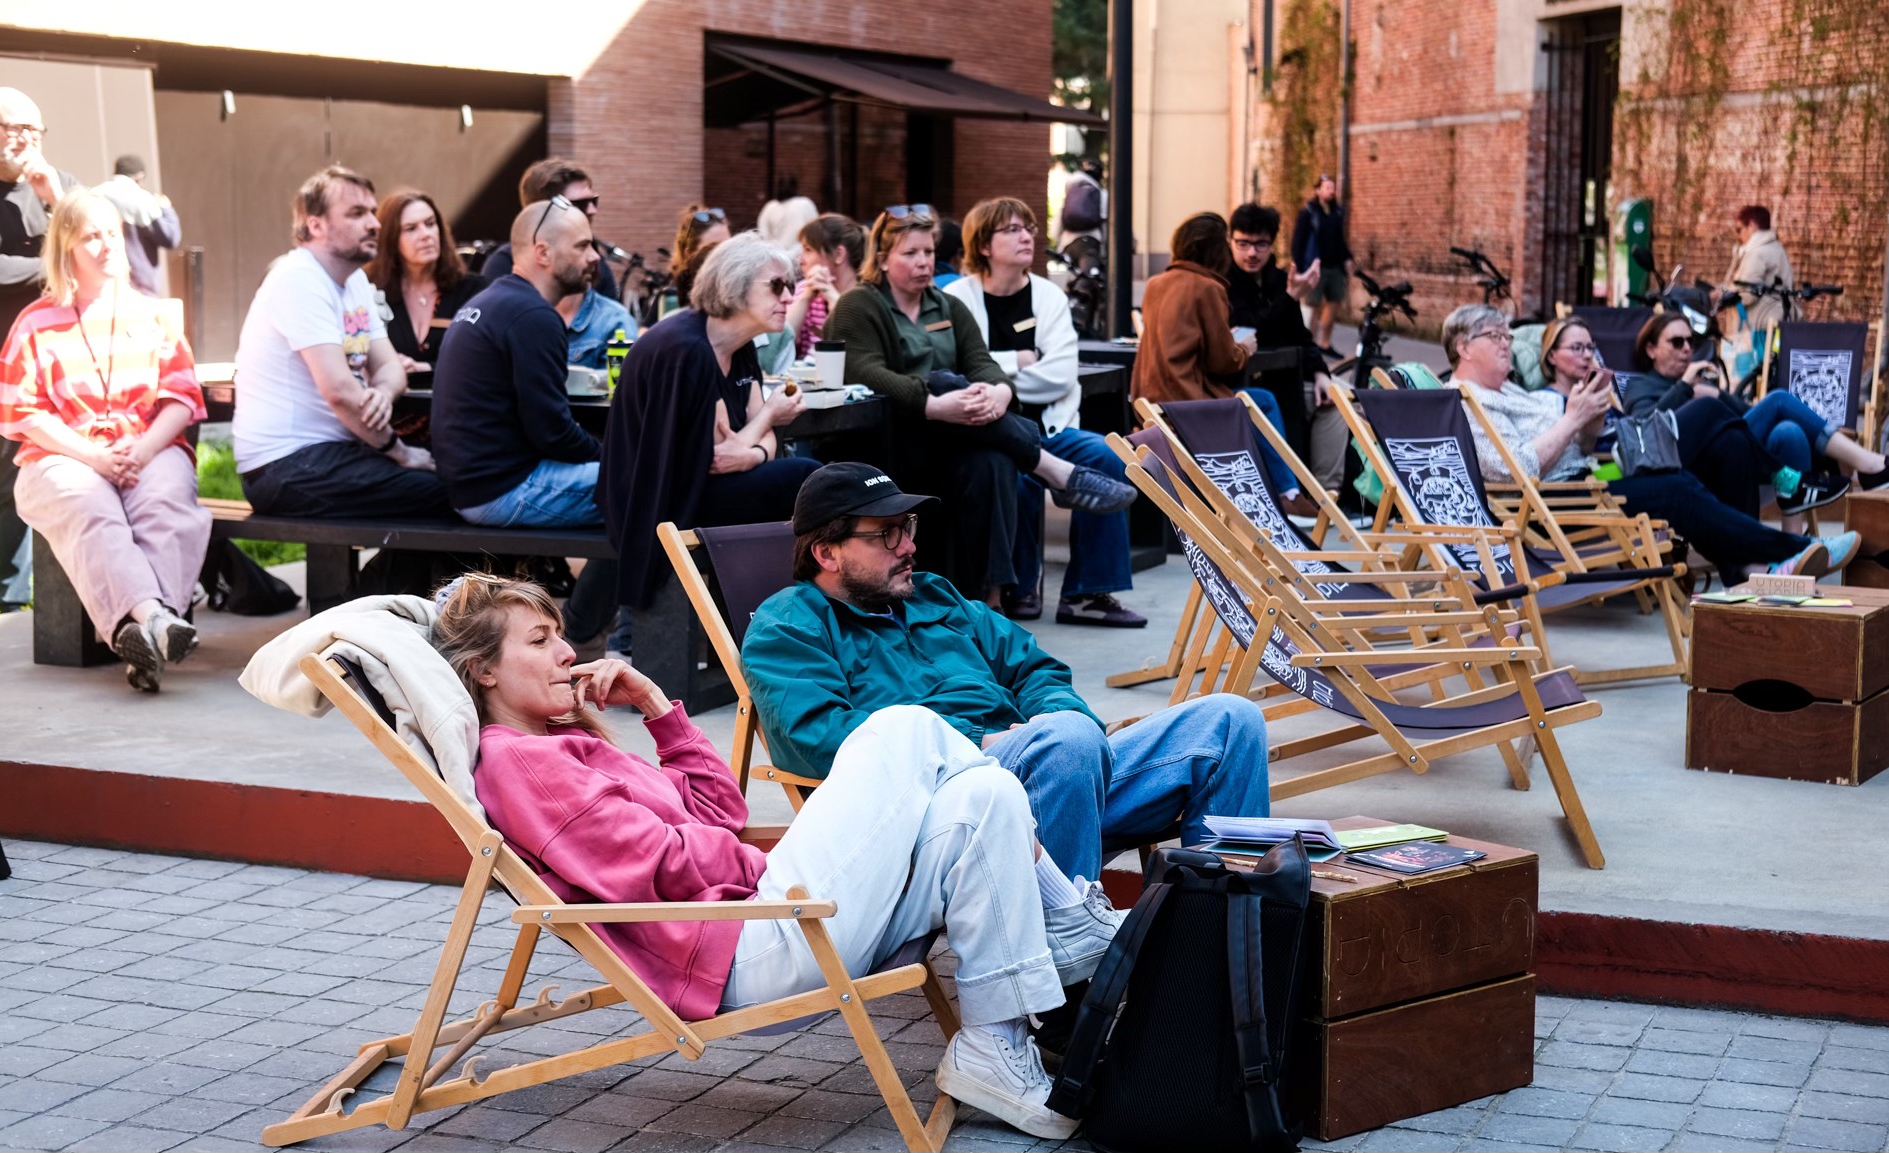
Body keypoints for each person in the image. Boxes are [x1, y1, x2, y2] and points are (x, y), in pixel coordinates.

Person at [433, 571, 1112, 1140]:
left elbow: (719, 811)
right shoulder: (521, 762)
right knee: (901, 728)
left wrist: (654, 706)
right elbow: (658, 862)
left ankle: (995, 1044)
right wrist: (753, 865)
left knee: (986, 794)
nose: (566, 651)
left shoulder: (560, 746)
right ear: (484, 669)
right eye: (540, 639)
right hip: (740, 952)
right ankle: (1066, 917)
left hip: (758, 926)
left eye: (559, 634)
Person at [741, 463, 1271, 888]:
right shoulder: (788, 625)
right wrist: (983, 741)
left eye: (908, 528)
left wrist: (1065, 723)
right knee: (1066, 741)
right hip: (945, 808)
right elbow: (814, 740)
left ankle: (1226, 945)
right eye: (886, 535)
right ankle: (1068, 980)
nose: (908, 546)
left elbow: (1034, 667)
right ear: (826, 552)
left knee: (1231, 721)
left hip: (1054, 770)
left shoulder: (934, 595)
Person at [824, 205, 1135, 607]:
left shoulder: (946, 306)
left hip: (952, 440)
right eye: (910, 253)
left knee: (993, 461)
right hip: (891, 439)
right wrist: (935, 404)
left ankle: (989, 603)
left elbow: (983, 363)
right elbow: (866, 371)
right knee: (944, 381)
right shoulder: (860, 304)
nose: (923, 263)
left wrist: (998, 394)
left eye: (928, 252)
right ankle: (1053, 470)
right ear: (882, 259)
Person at [0, 190, 208, 691]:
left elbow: (181, 397)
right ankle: (158, 618)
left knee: (166, 500)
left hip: (145, 446)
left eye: (112, 233)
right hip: (62, 454)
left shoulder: (152, 315)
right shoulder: (34, 323)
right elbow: (23, 413)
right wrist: (91, 455)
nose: (107, 245)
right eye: (91, 236)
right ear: (66, 248)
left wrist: (146, 449)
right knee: (92, 507)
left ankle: (141, 632)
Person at [1492, 308, 1858, 583]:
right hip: (1611, 475)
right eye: (1576, 347)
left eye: (1591, 347)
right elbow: (1558, 460)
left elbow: (1589, 444)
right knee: (1712, 408)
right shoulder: (1541, 401)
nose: (1587, 354)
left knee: (1733, 439)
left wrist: (1593, 420)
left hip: (1630, 465)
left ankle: (1751, 568)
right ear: (1551, 356)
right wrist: (1577, 417)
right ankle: (1791, 494)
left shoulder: (1606, 395)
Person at [597, 232, 822, 617]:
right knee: (807, 479)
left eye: (790, 286)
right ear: (734, 284)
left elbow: (749, 443)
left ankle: (781, 624)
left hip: (702, 485)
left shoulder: (739, 343)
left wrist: (751, 451)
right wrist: (769, 417)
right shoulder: (686, 348)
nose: (789, 297)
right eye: (777, 286)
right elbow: (715, 458)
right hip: (659, 500)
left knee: (812, 481)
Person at [945, 197, 1144, 627]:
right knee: (1014, 477)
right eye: (1013, 230)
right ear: (983, 244)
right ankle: (1020, 586)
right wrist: (1017, 360)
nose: (1026, 237)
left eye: (1030, 228)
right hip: (990, 430)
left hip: (1052, 427)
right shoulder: (955, 297)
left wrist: (995, 373)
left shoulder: (1048, 295)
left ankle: (1088, 593)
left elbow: (1059, 374)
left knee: (1110, 458)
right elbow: (958, 374)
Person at [232, 166, 449, 530]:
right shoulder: (298, 279)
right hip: (283, 466)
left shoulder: (356, 280)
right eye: (356, 213)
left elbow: (390, 365)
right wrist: (400, 452)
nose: (375, 223)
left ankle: (382, 586)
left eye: (372, 211)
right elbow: (339, 392)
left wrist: (382, 389)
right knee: (450, 492)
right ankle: (375, 588)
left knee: (457, 482)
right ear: (315, 225)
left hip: (335, 454)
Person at [0, 86, 77, 613]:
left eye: (32, 130)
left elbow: (98, 246)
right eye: (12, 128)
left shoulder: (59, 188)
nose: (22, 140)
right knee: (5, 479)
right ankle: (12, 603)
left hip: (70, 357)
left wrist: (57, 200)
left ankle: (75, 586)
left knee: (78, 469)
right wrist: (58, 270)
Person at [431, 197, 604, 527]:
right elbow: (552, 432)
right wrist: (611, 455)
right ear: (542, 252)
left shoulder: (489, 302)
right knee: (657, 482)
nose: (594, 256)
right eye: (582, 246)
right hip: (503, 491)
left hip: (474, 487)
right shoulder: (532, 316)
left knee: (638, 479)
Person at [1624, 312, 1888, 527]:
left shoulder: (1700, 385)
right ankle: (1868, 464)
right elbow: (1644, 431)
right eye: (1676, 342)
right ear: (1650, 349)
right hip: (1693, 470)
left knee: (1788, 431)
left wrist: (1715, 394)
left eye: (1690, 342)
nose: (1687, 349)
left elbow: (1744, 414)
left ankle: (1792, 541)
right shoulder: (1641, 387)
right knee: (1779, 399)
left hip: (1737, 461)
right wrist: (1683, 388)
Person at [1133, 212, 1313, 522]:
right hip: (1188, 404)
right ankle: (1287, 494)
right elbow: (1223, 361)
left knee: (1253, 399)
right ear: (1218, 250)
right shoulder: (1208, 287)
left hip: (1149, 402)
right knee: (1264, 400)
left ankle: (1279, 495)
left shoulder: (1156, 283)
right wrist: (1244, 347)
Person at [1226, 202, 1336, 521]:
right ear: (1230, 242)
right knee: (1274, 403)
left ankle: (1327, 496)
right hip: (1250, 382)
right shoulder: (1224, 282)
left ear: (1271, 244)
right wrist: (1290, 298)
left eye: (1260, 244)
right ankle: (1296, 496)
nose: (1251, 253)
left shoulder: (1278, 279)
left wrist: (1320, 374)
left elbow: (1300, 335)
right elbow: (1249, 330)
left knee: (1338, 404)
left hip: (1288, 377)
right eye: (1243, 243)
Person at [366, 189, 488, 376]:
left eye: (430, 224)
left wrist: (427, 368)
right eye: (411, 228)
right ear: (391, 239)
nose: (425, 234)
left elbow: (485, 360)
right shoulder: (372, 290)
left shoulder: (474, 290)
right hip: (393, 400)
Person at [478, 158, 619, 301]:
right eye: (580, 204)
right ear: (543, 209)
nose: (592, 210)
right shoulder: (502, 265)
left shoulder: (595, 264)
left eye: (593, 200)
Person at [93, 155, 179, 298]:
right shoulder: (143, 200)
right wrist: (167, 209)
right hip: (141, 288)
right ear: (139, 177)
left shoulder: (93, 196)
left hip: (102, 288)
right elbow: (171, 237)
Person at [1291, 172, 1353, 355]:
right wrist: (1301, 268)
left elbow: (1340, 240)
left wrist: (1347, 259)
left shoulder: (1337, 212)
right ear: (1317, 190)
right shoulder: (1308, 213)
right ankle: (1308, 346)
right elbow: (1298, 242)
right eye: (1327, 188)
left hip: (1334, 267)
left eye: (1333, 188)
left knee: (1334, 302)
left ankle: (1325, 344)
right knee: (1312, 306)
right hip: (1314, 266)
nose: (1331, 191)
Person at [788, 214, 863, 359]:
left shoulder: (866, 294)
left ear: (838, 254)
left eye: (808, 250)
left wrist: (831, 294)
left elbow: (859, 343)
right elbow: (780, 345)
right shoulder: (804, 289)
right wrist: (805, 299)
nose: (800, 260)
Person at [1723, 205, 1797, 332]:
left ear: (1751, 226)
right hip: (1780, 319)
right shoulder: (1777, 248)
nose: (1738, 236)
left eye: (1739, 229)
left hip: (1760, 325)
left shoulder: (1757, 253)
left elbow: (1748, 293)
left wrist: (1726, 297)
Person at [667, 205, 731, 312]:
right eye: (713, 247)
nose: (724, 253)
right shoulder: (672, 295)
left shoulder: (740, 287)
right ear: (690, 253)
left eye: (728, 245)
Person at [755, 175, 818, 250]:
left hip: (777, 255)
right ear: (796, 188)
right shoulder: (805, 204)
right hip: (799, 256)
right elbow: (816, 231)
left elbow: (763, 234)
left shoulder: (770, 207)